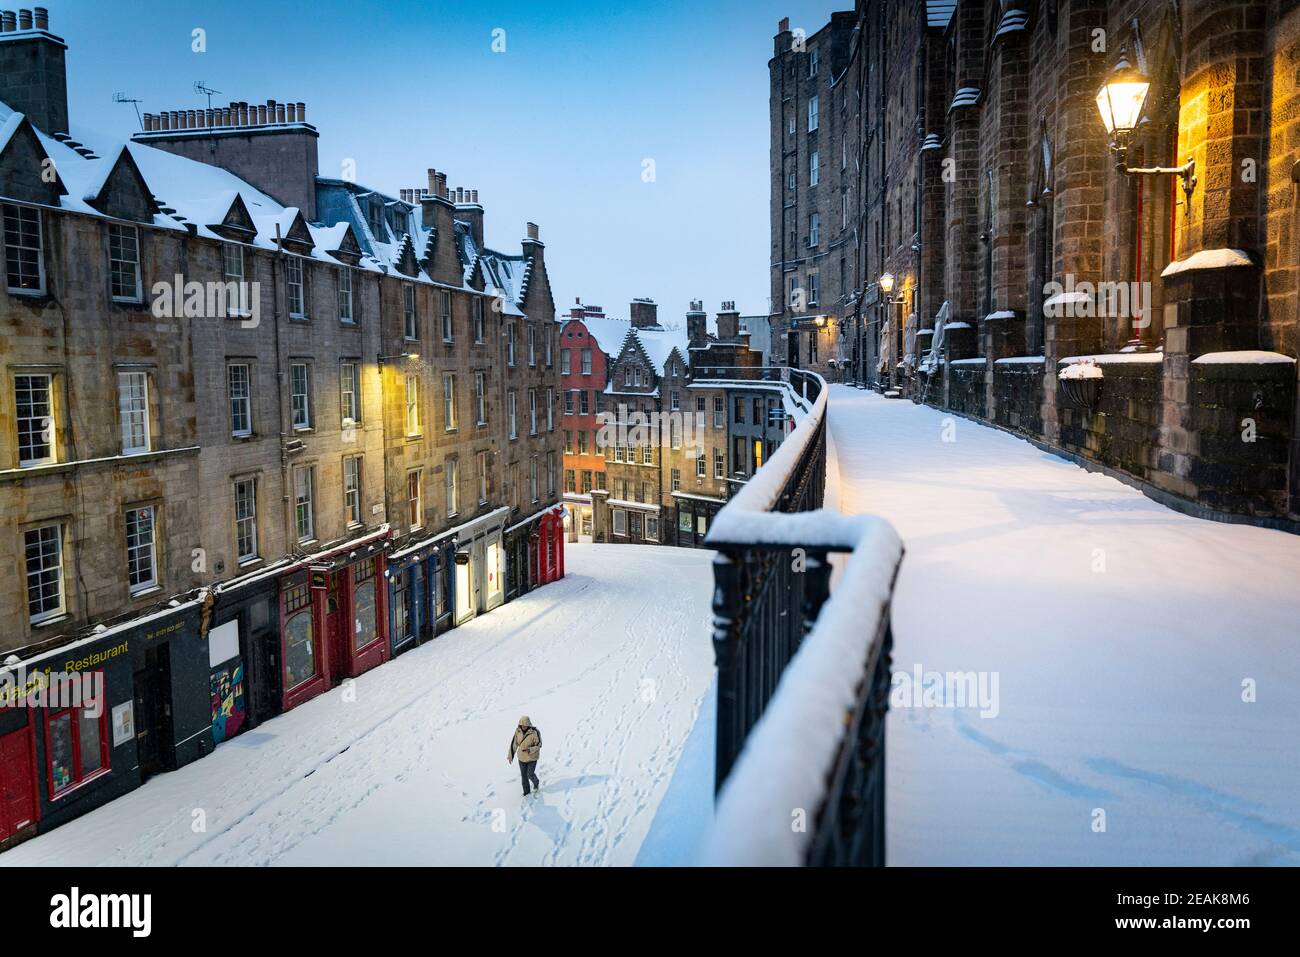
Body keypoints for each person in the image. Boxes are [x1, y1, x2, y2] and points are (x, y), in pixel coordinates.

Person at [507, 715, 542, 796]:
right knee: (523, 776)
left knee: (530, 774)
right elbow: (514, 743)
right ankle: (526, 792)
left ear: (529, 724)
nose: (523, 727)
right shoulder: (518, 731)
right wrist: (510, 756)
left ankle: (536, 783)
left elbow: (539, 745)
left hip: (532, 757)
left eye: (525, 725)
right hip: (521, 758)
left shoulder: (535, 732)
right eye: (522, 725)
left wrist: (529, 749)